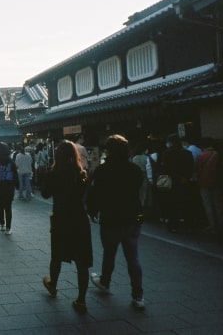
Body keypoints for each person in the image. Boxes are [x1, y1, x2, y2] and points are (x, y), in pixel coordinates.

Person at [87, 134, 145, 310]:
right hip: (132, 218)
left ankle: (105, 282)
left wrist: (92, 211)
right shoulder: (135, 170)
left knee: (109, 253)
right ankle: (138, 296)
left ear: (109, 151)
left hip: (110, 218)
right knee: (133, 258)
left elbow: (94, 193)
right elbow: (139, 194)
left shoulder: (102, 170)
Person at [41, 140, 92, 313]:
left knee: (57, 255)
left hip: (61, 218)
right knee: (82, 261)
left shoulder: (53, 174)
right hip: (79, 219)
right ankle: (81, 300)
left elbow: (45, 194)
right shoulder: (82, 174)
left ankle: (53, 285)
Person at [161, 133, 194, 232]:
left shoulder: (167, 153)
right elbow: (191, 167)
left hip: (172, 181)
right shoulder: (187, 153)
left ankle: (173, 225)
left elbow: (165, 168)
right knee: (185, 202)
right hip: (184, 181)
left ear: (170, 142)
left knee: (172, 204)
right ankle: (188, 223)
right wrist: (185, 177)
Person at [195, 138, 220, 233]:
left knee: (208, 205)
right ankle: (222, 224)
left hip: (203, 183)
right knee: (218, 205)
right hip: (216, 182)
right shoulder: (217, 154)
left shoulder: (201, 156)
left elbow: (197, 169)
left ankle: (213, 225)